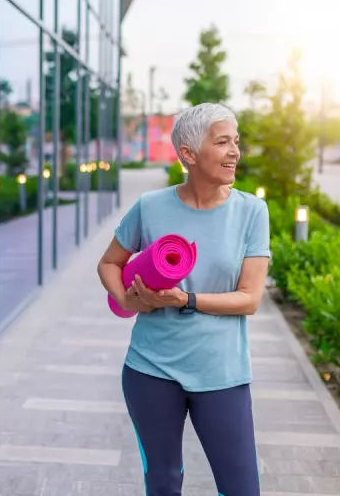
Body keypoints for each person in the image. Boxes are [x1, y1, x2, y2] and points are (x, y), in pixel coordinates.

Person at [97, 102, 270, 496]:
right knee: (163, 482)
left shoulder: (251, 212)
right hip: (151, 370)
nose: (234, 152)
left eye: (236, 142)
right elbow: (108, 263)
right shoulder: (151, 207)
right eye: (223, 142)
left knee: (241, 488)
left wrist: (185, 300)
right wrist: (129, 299)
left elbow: (249, 299)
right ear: (189, 154)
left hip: (222, 374)